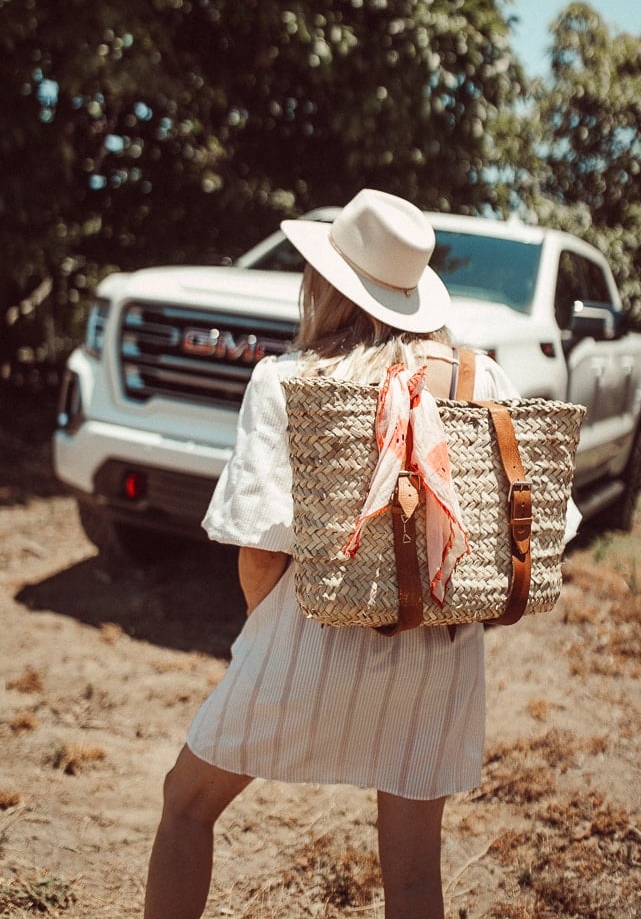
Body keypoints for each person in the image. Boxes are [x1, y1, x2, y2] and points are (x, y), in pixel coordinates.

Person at [143, 188, 525, 919]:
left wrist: (268, 635)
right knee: (413, 872)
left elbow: (260, 546)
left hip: (306, 638)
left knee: (186, 805)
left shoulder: (287, 380)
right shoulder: (485, 380)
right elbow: (537, 519)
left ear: (326, 283)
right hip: (438, 650)